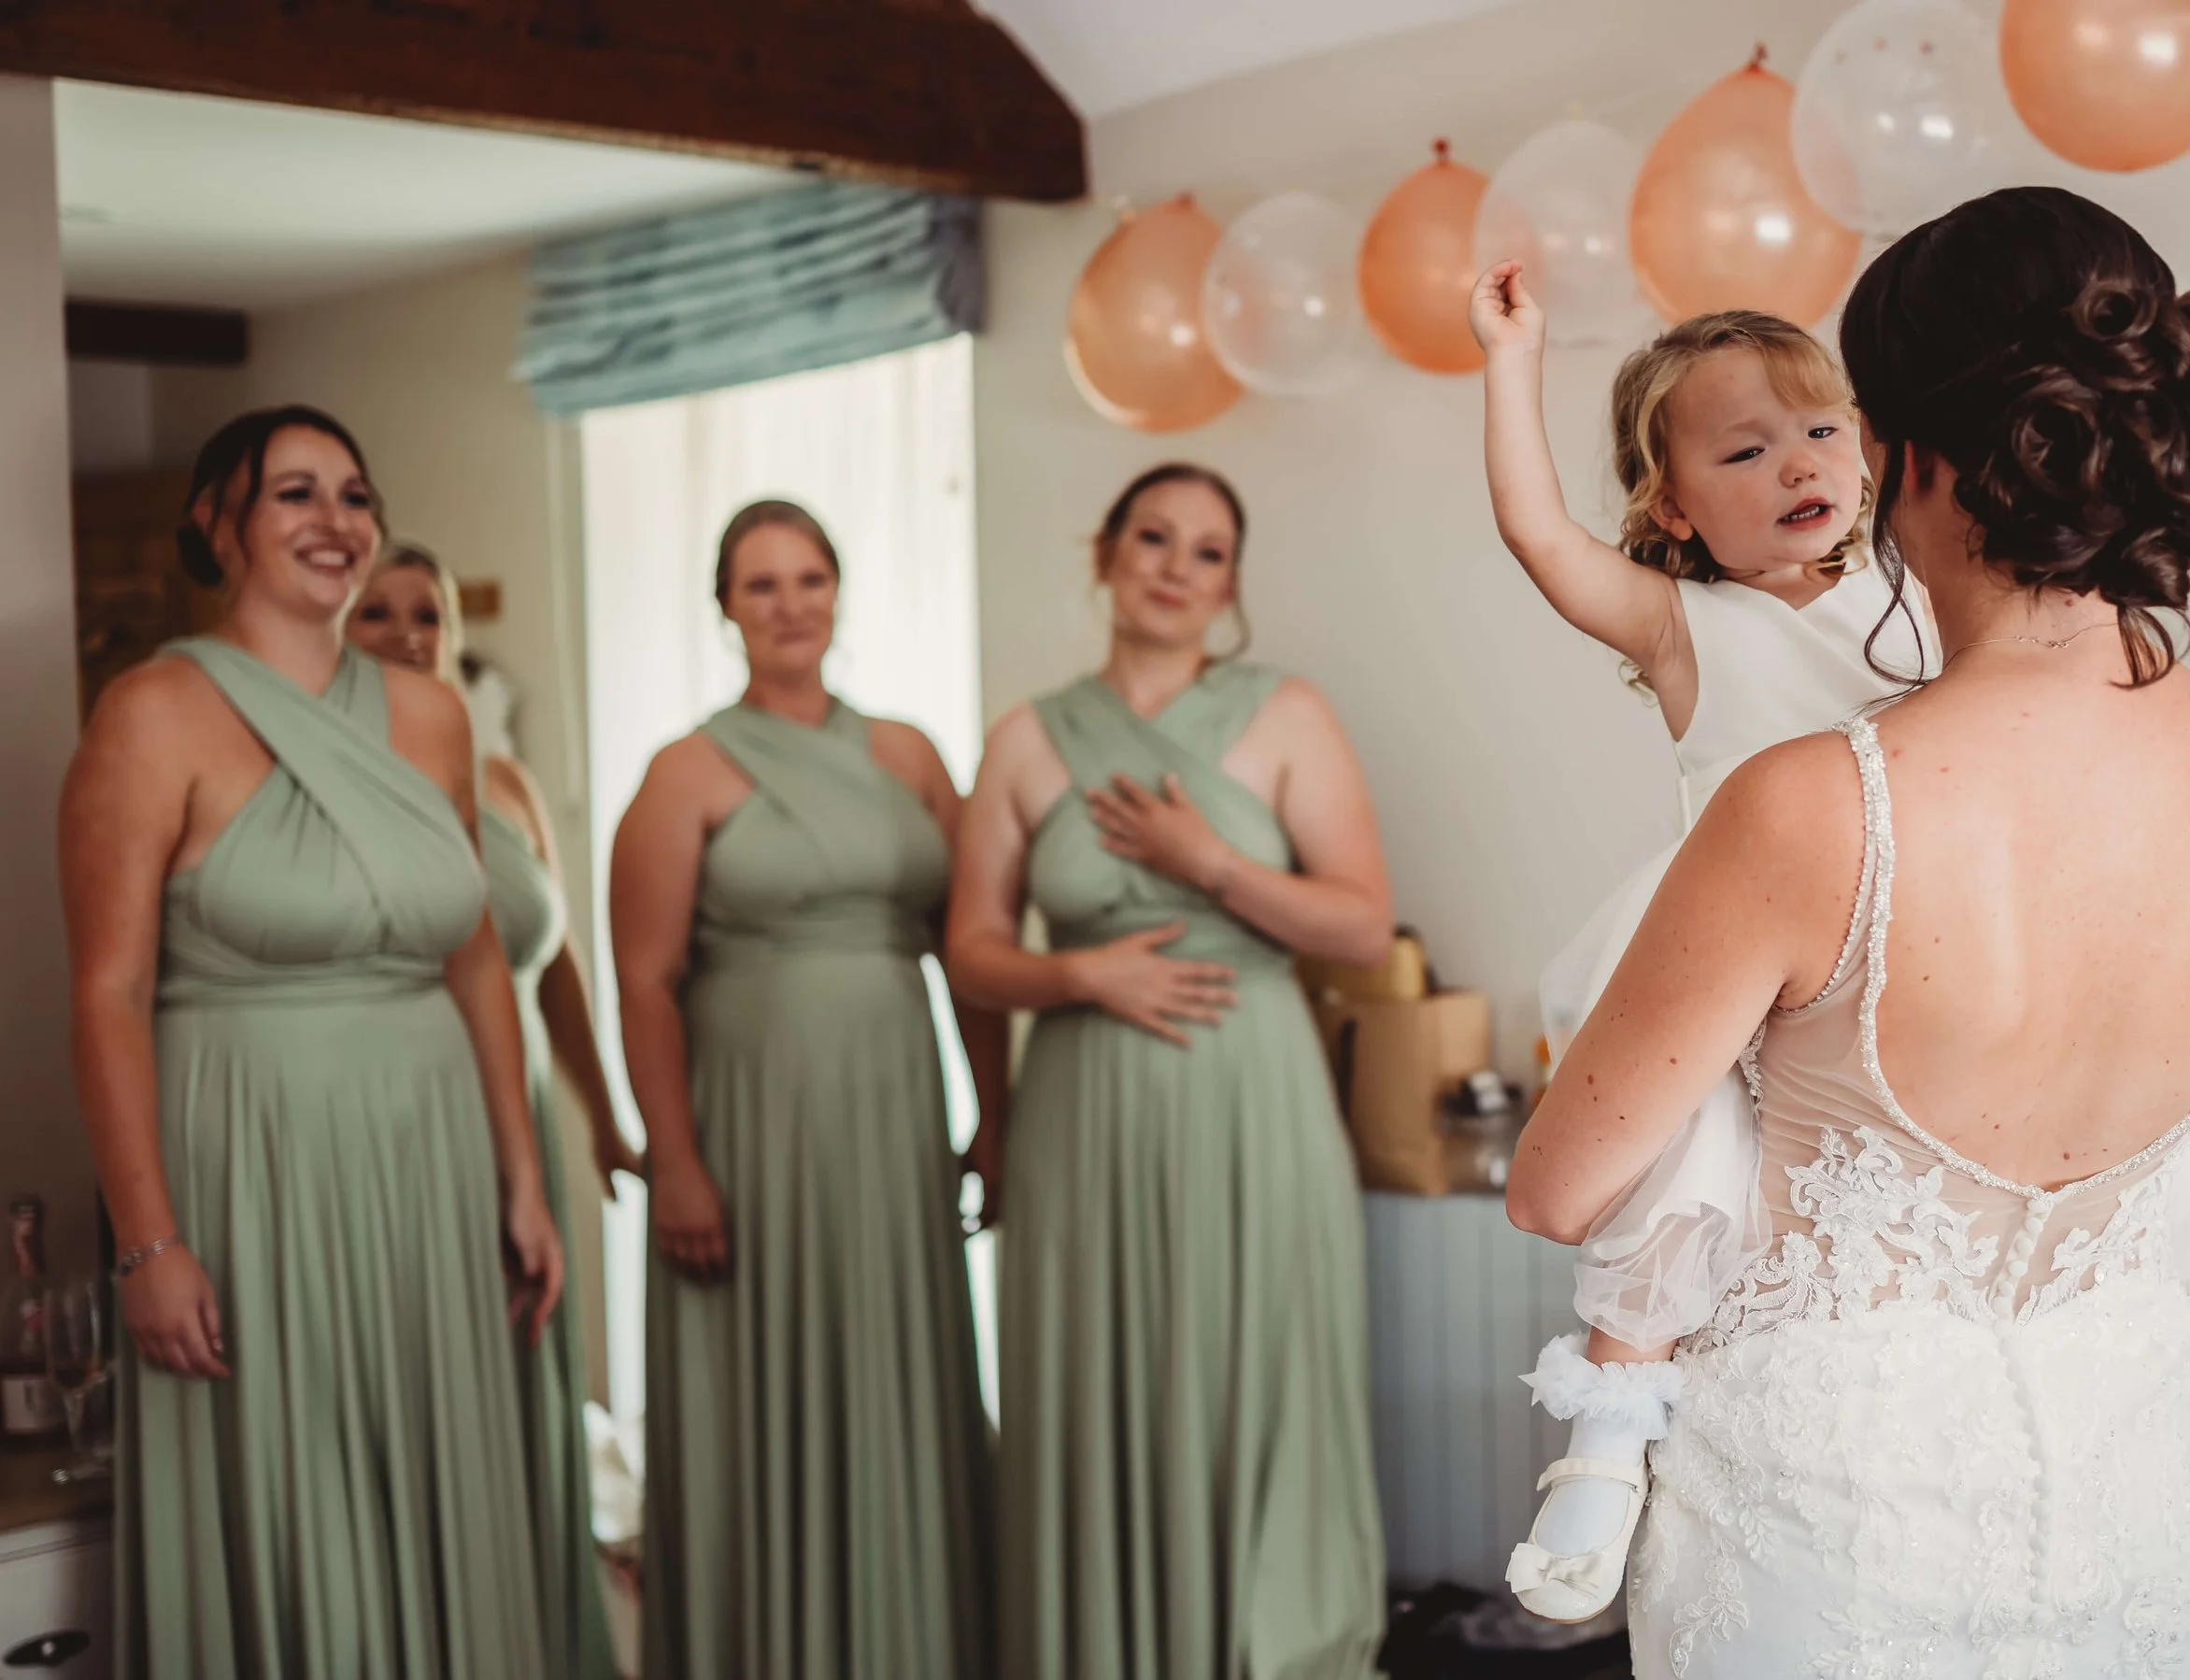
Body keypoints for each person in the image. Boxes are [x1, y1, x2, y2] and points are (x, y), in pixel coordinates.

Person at [1507, 186, 2190, 1675]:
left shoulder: (1810, 805)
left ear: (1911, 456)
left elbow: (1563, 1187)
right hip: (2130, 1499)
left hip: (1836, 1534)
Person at [61, 406, 560, 1677]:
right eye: (295, 493)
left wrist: (520, 1173)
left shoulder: (430, 716)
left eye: (353, 494)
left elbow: (472, 952)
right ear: (216, 525)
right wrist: (147, 1243)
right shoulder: (151, 711)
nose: (335, 521)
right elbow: (108, 991)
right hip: (253, 1158)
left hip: (428, 1154)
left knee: (435, 1478)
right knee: (297, 1487)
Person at [1467, 271, 1932, 1616]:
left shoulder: (1916, 593)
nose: (1797, 464)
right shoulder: (1685, 624)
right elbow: (1536, 532)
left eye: (1821, 430)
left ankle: (2186, 1418)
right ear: (1672, 505)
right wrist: (1511, 358)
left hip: (1908, 931)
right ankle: (1610, 1422)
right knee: (1691, 1145)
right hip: (1741, 951)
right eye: (1743, 450)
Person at [946, 463, 1389, 1680]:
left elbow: (1361, 925)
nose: (1175, 568)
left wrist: (1213, 864)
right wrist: (1078, 975)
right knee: (1097, 1384)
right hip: (1082, 1106)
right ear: (1105, 553)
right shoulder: (1024, 739)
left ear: (1230, 586)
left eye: (1207, 552)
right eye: (1153, 537)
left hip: (1253, 1094)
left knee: (1261, 1370)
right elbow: (970, 950)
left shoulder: (1286, 714)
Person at [610, 500, 1002, 1680]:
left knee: (899, 1370)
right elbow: (643, 982)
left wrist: (992, 1118)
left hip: (893, 1118)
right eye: (761, 584)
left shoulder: (910, 755)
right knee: (763, 1387)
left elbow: (971, 954)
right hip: (752, 1129)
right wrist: (675, 1160)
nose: (790, 604)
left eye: (809, 578)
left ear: (838, 591)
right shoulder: (685, 771)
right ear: (725, 608)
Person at [347, 541, 633, 1679]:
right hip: (407, 1123)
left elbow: (555, 974)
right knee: (430, 1400)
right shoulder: (329, 776)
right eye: (377, 612)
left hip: (522, 1131)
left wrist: (603, 1117)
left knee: (527, 1393)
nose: (406, 633)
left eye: (427, 613)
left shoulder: (503, 781)